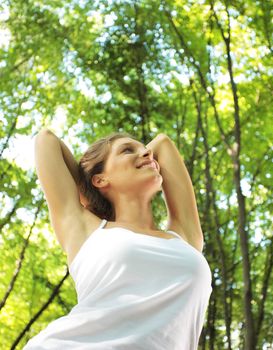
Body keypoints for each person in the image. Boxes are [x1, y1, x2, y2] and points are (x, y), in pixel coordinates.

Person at [23, 128, 213, 349]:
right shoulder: (86, 230)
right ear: (100, 179)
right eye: (127, 150)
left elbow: (162, 143)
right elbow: (47, 140)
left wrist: (140, 160)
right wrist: (89, 189)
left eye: (145, 151)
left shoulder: (185, 236)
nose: (147, 153)